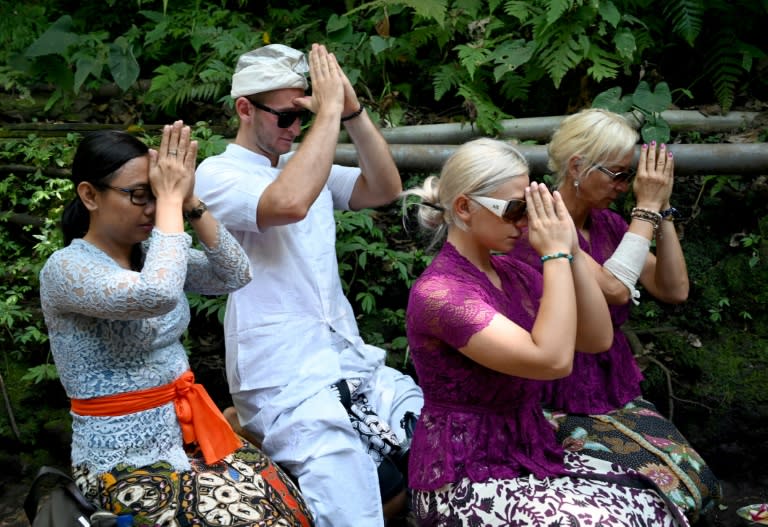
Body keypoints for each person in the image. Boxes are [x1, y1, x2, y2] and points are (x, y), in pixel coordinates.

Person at [401, 137, 693, 526]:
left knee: (663, 499)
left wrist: (570, 249)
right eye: (514, 209)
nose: (524, 223)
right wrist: (554, 255)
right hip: (464, 475)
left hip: (528, 445)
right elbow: (552, 361)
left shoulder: (512, 273)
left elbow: (596, 338)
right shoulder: (440, 295)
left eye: (530, 209)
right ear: (465, 208)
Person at [38, 122, 314, 526]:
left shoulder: (153, 251)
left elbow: (235, 274)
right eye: (138, 195)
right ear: (89, 195)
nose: (151, 208)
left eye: (156, 195)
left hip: (191, 434)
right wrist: (168, 204)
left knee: (289, 508)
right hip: (121, 460)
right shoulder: (66, 270)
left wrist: (190, 202)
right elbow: (156, 295)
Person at [194, 43, 423, 526]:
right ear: (244, 109)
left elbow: (384, 189)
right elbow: (288, 202)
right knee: (346, 497)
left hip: (346, 357)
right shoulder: (217, 173)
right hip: (280, 374)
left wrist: (353, 111)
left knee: (434, 435)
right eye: (285, 117)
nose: (296, 127)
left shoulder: (305, 162)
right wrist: (328, 116)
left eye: (305, 116)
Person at [508, 108, 721, 522]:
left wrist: (663, 210)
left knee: (698, 484)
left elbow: (674, 289)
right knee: (657, 496)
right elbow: (613, 289)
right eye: (617, 175)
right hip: (557, 388)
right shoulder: (544, 225)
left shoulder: (607, 223)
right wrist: (645, 209)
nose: (623, 187)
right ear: (577, 167)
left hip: (611, 380)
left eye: (630, 177)